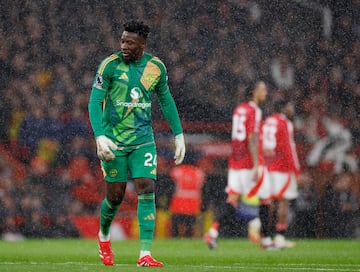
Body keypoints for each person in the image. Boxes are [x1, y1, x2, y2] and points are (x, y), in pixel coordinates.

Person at [88, 20, 185, 267]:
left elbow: (166, 100)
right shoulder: (109, 65)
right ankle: (104, 235)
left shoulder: (156, 68)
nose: (124, 46)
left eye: (130, 42)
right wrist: (99, 136)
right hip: (113, 141)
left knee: (146, 186)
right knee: (116, 196)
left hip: (143, 141)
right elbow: (94, 101)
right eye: (122, 41)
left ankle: (144, 253)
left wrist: (178, 134)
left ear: (142, 44)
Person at [203, 80, 268, 249]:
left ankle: (212, 233)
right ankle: (263, 237)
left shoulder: (239, 109)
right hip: (247, 162)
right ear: (253, 92)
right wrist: (255, 164)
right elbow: (252, 137)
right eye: (262, 89)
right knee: (265, 197)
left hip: (235, 161)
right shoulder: (255, 110)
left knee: (232, 200)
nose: (265, 92)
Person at [262, 99, 300, 248]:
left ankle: (267, 235)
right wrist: (295, 169)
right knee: (284, 202)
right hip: (282, 168)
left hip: (268, 167)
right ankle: (280, 237)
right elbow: (289, 147)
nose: (293, 109)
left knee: (270, 203)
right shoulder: (285, 123)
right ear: (284, 108)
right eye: (291, 105)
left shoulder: (267, 121)